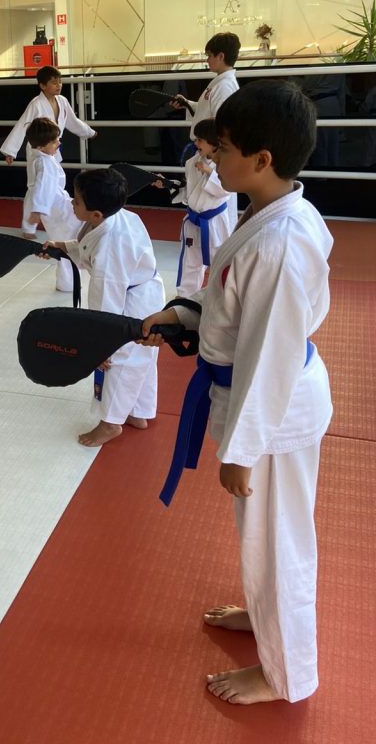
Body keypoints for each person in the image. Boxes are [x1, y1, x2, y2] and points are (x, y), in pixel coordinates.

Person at [140, 80, 332, 705]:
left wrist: (242, 448)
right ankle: (262, 614)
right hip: (265, 395)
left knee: (280, 544)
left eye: (221, 149)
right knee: (264, 537)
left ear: (261, 159)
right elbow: (231, 301)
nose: (212, 159)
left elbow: (269, 354)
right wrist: (181, 314)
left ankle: (287, 676)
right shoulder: (275, 212)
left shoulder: (280, 241)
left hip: (273, 410)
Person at [48, 167, 164, 447]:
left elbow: (105, 303)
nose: (72, 204)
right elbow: (88, 248)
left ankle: (111, 423)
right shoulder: (119, 216)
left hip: (131, 303)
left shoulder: (112, 245)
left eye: (76, 201)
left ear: (96, 213)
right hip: (144, 292)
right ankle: (138, 411)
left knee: (122, 358)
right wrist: (62, 247)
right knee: (143, 359)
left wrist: (98, 344)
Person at [0, 66, 96, 238]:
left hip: (53, 148)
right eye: (53, 82)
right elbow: (23, 126)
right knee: (35, 187)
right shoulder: (36, 104)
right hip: (37, 151)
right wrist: (11, 151)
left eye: (60, 81)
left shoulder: (63, 101)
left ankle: (55, 220)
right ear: (42, 85)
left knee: (54, 186)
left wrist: (88, 132)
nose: (58, 85)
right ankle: (29, 226)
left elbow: (72, 122)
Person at [167, 118, 235, 295]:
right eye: (196, 139)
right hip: (193, 219)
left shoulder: (226, 163)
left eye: (200, 139)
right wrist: (168, 185)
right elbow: (188, 191)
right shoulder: (192, 162)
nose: (195, 143)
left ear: (214, 143)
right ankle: (185, 298)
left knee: (219, 260)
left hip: (214, 221)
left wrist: (209, 172)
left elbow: (227, 190)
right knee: (190, 262)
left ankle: (222, 297)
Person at [24, 118, 82, 292]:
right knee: (68, 242)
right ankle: (68, 282)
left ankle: (68, 281)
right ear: (42, 146)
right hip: (58, 209)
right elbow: (43, 187)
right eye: (54, 141)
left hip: (53, 210)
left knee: (66, 241)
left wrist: (37, 211)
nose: (59, 142)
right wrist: (37, 210)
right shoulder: (44, 162)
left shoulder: (38, 157)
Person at [171, 32, 240, 141]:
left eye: (209, 55)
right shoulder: (220, 83)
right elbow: (206, 110)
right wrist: (187, 104)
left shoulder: (224, 86)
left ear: (221, 56)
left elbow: (219, 125)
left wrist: (209, 154)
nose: (207, 60)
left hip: (210, 149)